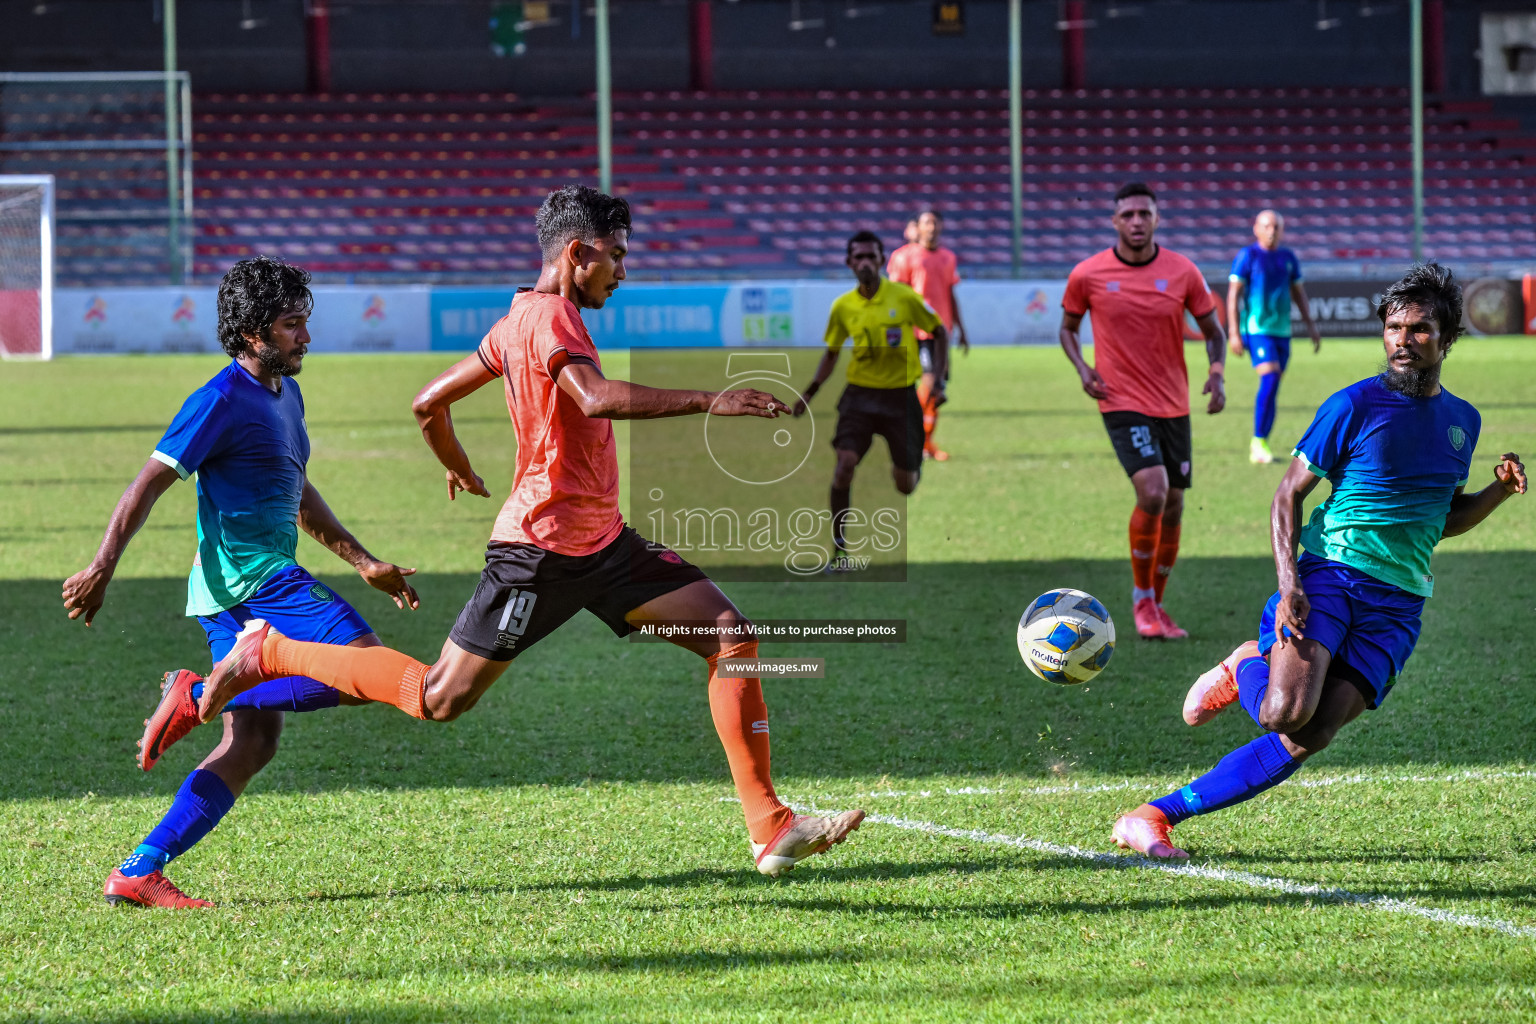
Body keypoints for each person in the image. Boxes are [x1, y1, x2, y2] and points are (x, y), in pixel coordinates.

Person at [191, 186, 864, 878]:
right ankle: (268, 654)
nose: (622, 273)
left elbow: (430, 403)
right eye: (617, 257)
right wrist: (707, 398)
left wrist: (455, 460)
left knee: (731, 634)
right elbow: (594, 397)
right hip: (538, 552)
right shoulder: (551, 319)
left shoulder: (518, 318)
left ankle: (769, 825)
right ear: (577, 253)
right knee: (436, 699)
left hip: (604, 543)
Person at [1112, 263, 1526, 859]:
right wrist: (1290, 585)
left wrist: (1497, 493)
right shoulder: (1352, 406)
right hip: (1331, 576)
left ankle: (1151, 817)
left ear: (1448, 336)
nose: (1403, 342)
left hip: (1401, 603)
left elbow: (1440, 519)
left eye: (1419, 330)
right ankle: (1243, 666)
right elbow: (1288, 495)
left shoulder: (1463, 422)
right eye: (1393, 328)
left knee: (1314, 733)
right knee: (1283, 711)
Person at [62, 256, 420, 908]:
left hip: (230, 588)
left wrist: (362, 560)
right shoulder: (218, 401)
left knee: (253, 741)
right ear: (252, 332)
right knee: (370, 669)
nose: (305, 338)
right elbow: (147, 486)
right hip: (254, 581)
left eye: (305, 323)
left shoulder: (287, 394)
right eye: (291, 326)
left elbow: (297, 491)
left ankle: (138, 870)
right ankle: (203, 693)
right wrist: (101, 567)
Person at [1058, 182, 1227, 641]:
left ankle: (1158, 602)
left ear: (1156, 219)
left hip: (1173, 403)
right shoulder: (1088, 274)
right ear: (1114, 221)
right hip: (1120, 399)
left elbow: (1213, 331)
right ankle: (1141, 599)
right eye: (1128, 214)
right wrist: (1082, 367)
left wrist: (1217, 371)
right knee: (1153, 492)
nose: (1136, 222)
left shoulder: (1182, 271)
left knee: (1174, 504)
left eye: (1144, 214)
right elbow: (1068, 328)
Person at [793, 230, 948, 570]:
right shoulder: (843, 306)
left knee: (905, 486)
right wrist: (809, 392)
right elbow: (832, 353)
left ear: (882, 261)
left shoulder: (904, 297)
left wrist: (937, 377)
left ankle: (913, 464)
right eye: (858, 257)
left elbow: (939, 331)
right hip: (859, 397)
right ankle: (840, 551)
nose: (864, 262)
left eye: (870, 256)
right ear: (849, 264)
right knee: (844, 465)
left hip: (900, 398)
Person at [1227, 210, 1322, 464]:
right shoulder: (1248, 255)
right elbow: (1233, 293)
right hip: (1257, 330)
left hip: (1283, 333)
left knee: (1274, 385)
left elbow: (1298, 292)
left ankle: (1262, 440)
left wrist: (1311, 325)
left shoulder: (1288, 257)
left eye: (1276, 226)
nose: (1272, 231)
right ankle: (1258, 441)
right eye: (1267, 226)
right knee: (1269, 378)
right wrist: (1234, 332)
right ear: (1256, 228)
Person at [887, 208, 968, 461]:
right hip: (915, 332)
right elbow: (895, 295)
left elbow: (950, 294)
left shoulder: (948, 257)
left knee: (936, 391)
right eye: (926, 223)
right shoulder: (904, 257)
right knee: (928, 385)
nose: (931, 227)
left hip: (941, 332)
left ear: (941, 227)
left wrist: (961, 329)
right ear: (917, 227)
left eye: (935, 223)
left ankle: (926, 443)